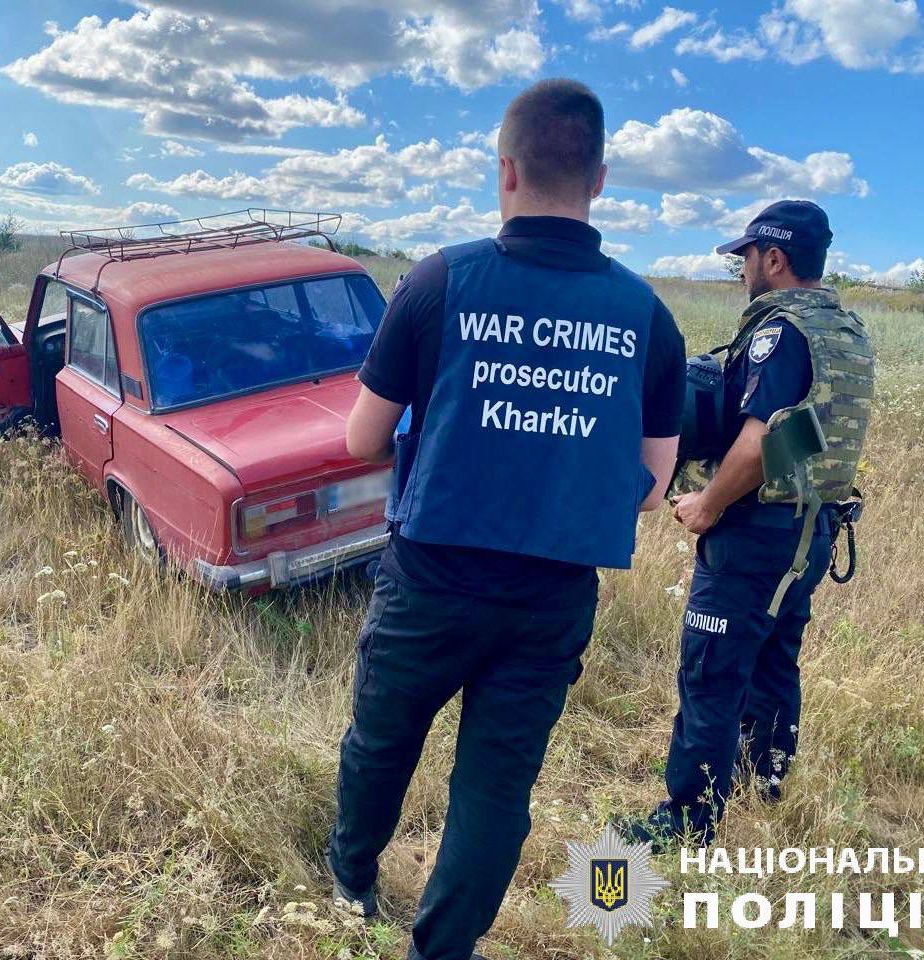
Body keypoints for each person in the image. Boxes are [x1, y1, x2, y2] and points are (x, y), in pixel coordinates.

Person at [326, 78, 686, 960]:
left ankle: (351, 876)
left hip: (429, 582)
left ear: (504, 170)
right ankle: (442, 950)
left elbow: (361, 438)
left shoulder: (439, 281)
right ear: (599, 180)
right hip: (550, 597)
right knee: (494, 788)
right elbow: (647, 486)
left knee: (382, 740)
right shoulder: (648, 318)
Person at [623, 200, 875, 850]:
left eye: (746, 257)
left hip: (758, 534)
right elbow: (808, 433)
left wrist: (707, 503)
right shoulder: (841, 329)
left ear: (773, 257)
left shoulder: (780, 331)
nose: (741, 271)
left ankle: (687, 820)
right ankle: (763, 784)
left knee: (711, 671)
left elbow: (760, 436)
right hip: (811, 529)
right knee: (772, 660)